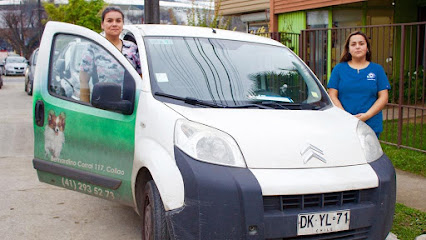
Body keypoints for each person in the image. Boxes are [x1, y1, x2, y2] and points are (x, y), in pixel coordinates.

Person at [327, 31, 390, 138]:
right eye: (353, 44)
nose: (357, 47)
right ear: (348, 49)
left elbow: (383, 97)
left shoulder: (377, 69)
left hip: (371, 125)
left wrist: (367, 115)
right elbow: (332, 94)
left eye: (361, 44)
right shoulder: (339, 69)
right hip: (344, 123)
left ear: (367, 47)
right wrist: (345, 116)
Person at [80, 6, 141, 102]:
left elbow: (141, 78)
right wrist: (85, 108)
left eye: (118, 21)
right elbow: (83, 81)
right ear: (102, 24)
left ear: (122, 24)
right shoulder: (94, 47)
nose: (114, 24)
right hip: (102, 106)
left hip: (129, 106)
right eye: (109, 21)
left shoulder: (132, 48)